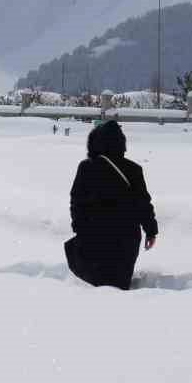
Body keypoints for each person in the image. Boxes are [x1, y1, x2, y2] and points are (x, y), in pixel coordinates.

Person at [66, 118, 158, 290]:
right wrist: (151, 231)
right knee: (119, 284)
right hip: (126, 238)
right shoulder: (133, 170)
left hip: (94, 235)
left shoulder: (86, 168)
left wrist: (79, 228)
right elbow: (143, 204)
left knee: (98, 284)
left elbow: (76, 201)